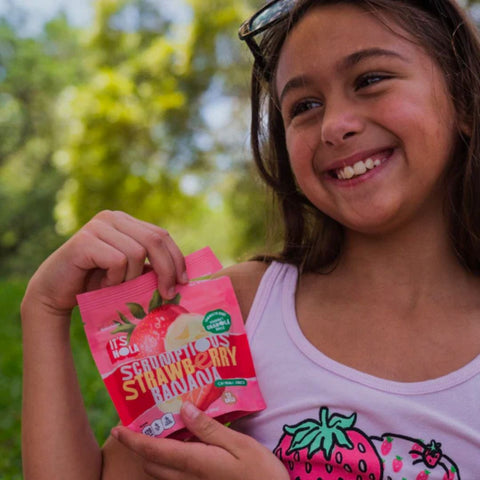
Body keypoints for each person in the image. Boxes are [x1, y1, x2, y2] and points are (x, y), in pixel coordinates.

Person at [21, 0, 480, 478]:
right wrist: (45, 309)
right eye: (304, 106)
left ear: (464, 99)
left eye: (370, 80)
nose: (334, 125)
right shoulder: (232, 311)